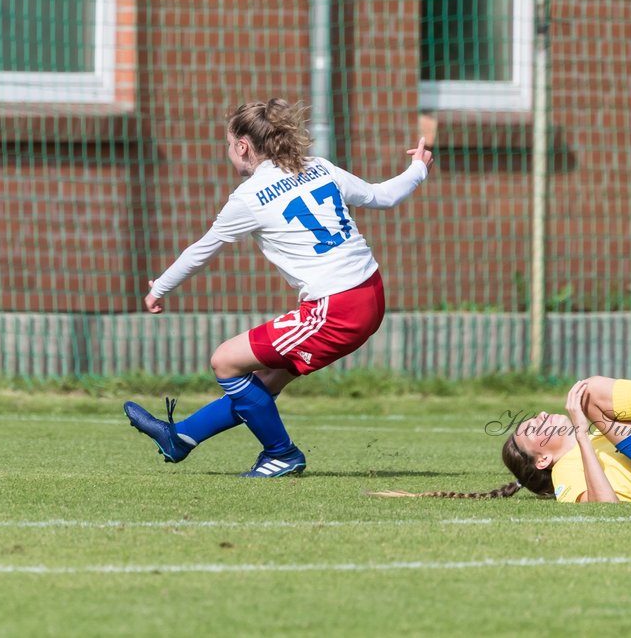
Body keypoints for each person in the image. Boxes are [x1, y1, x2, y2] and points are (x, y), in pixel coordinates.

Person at [124, 98, 432, 477]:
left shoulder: (249, 197)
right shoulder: (319, 168)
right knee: (263, 382)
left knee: (225, 361)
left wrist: (159, 289)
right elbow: (382, 196)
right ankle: (182, 437)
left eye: (228, 144)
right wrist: (417, 168)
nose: (228, 152)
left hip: (336, 307)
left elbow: (200, 251)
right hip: (369, 291)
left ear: (243, 146)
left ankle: (281, 453)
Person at [372, 296, 631, 503]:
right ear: (542, 459)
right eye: (532, 428)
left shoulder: (602, 435)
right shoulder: (566, 474)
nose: (540, 414)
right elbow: (603, 508)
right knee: (590, 392)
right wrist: (580, 424)